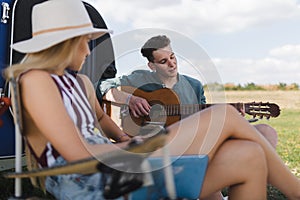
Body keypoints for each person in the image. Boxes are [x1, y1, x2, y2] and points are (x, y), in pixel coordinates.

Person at [5, 1, 300, 200]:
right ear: (63, 43)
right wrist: (137, 145)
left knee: (248, 154)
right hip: (89, 182)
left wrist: (122, 136)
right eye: (84, 41)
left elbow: (100, 120)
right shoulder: (34, 80)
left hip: (116, 162)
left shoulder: (79, 82)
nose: (87, 50)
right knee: (224, 115)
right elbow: (78, 154)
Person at [98, 35, 278, 148]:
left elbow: (203, 117)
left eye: (172, 57)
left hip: (186, 140)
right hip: (153, 144)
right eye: (163, 61)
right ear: (151, 65)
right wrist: (130, 99)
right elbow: (102, 86)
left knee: (266, 131)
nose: (172, 63)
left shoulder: (194, 86)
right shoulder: (139, 78)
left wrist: (227, 114)